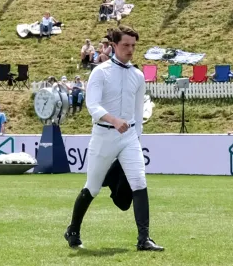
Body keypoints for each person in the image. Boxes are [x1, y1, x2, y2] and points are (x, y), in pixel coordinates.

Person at [64, 27, 162, 252]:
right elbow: (93, 106)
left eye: (133, 46)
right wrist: (114, 120)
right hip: (104, 135)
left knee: (139, 181)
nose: (130, 49)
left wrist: (136, 138)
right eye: (126, 45)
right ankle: (73, 230)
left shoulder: (137, 75)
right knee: (93, 187)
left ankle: (144, 238)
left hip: (128, 137)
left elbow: (138, 113)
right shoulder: (100, 72)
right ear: (114, 46)